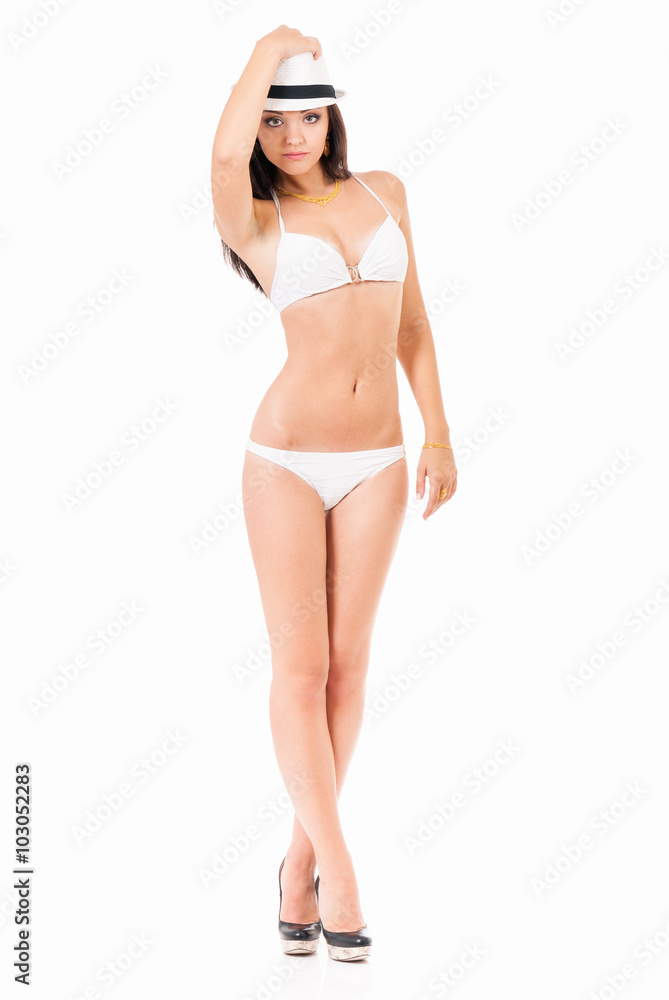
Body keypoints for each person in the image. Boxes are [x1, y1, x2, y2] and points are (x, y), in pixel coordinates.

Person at [210, 24, 457, 962]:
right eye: (274, 122)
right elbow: (222, 155)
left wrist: (437, 433)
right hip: (284, 460)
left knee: (349, 669)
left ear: (331, 118)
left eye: (307, 117)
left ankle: (297, 864)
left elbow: (414, 323)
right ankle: (340, 876)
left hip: (378, 462)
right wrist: (269, 45)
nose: (291, 136)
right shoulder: (253, 218)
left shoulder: (385, 192)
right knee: (301, 670)